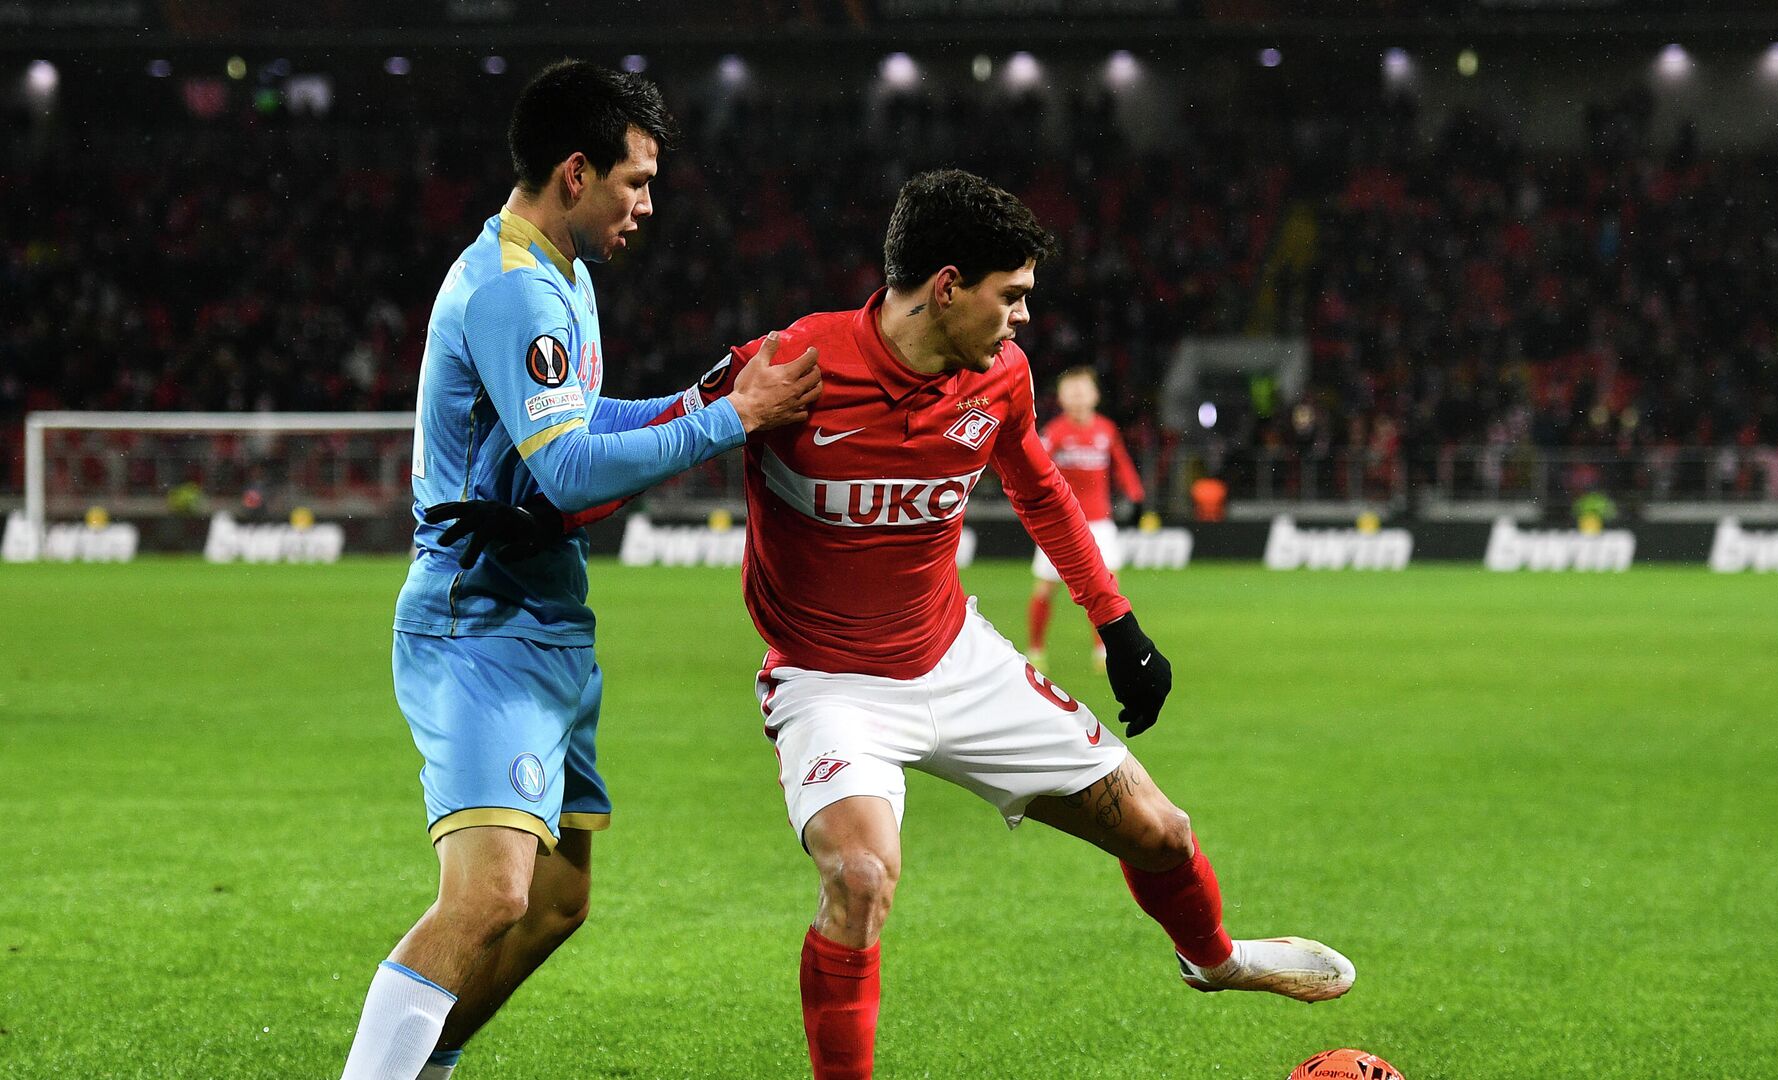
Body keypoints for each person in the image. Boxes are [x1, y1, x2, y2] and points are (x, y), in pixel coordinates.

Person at [438, 169, 1353, 1080]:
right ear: (948, 287)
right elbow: (659, 438)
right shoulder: (794, 362)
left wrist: (1116, 623)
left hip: (955, 658)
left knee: (1163, 833)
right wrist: (538, 511)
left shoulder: (1000, 380)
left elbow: (1040, 489)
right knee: (862, 878)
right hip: (827, 683)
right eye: (1013, 296)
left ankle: (1215, 959)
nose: (1023, 318)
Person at [338, 60, 821, 1080]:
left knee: (557, 901)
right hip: (481, 624)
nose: (646, 204)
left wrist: (701, 392)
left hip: (549, 621)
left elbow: (583, 420)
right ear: (574, 173)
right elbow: (563, 468)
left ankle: (421, 1064)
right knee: (489, 898)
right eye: (634, 181)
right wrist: (731, 418)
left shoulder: (563, 272)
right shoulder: (512, 287)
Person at [1025, 366, 1145, 673]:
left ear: (1095, 395)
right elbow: (1031, 468)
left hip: (1100, 523)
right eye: (1071, 391)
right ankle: (1036, 648)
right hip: (1062, 524)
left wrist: (1135, 494)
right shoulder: (1054, 433)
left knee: (1108, 587)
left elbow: (1122, 465)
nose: (1077, 398)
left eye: (1082, 391)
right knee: (1045, 589)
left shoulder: (1106, 430)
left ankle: (1103, 650)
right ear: (1061, 397)